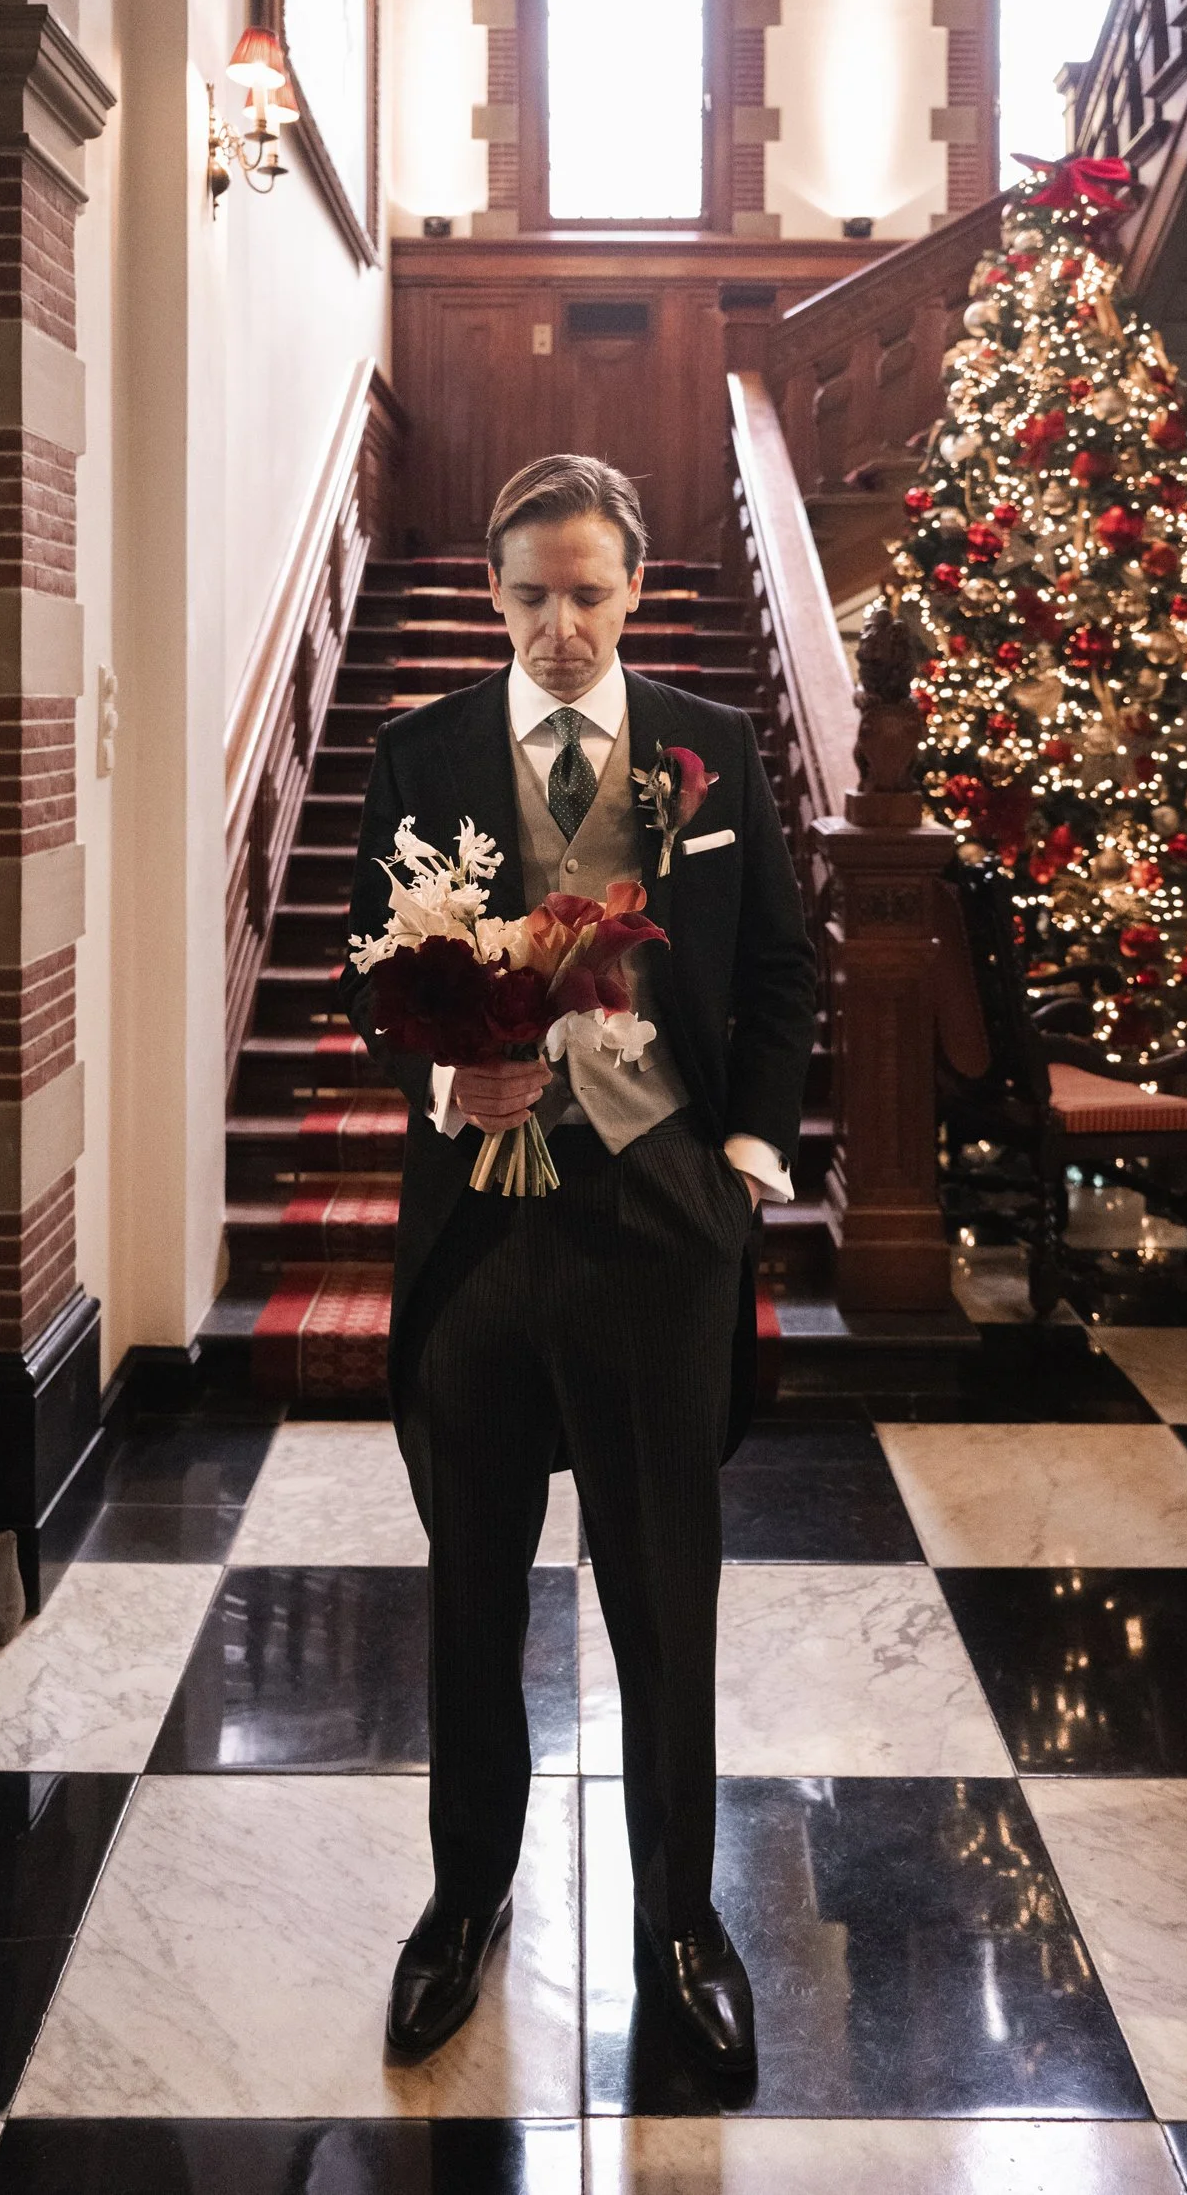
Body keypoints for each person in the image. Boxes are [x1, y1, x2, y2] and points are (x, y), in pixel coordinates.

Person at [339, 454, 817, 2076]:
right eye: (530, 595)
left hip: (657, 1222)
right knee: (471, 1592)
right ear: (492, 591)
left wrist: (743, 1160)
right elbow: (367, 979)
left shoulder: (718, 749)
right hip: (477, 1229)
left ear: (636, 592)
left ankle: (680, 1919)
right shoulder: (418, 753)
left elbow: (776, 971)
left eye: (588, 595)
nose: (558, 625)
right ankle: (462, 1902)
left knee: (660, 1591)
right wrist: (434, 1075)